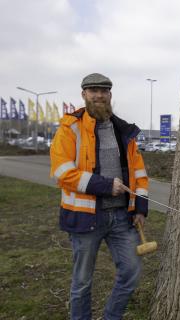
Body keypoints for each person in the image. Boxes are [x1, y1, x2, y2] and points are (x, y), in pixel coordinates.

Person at [50, 73, 149, 319]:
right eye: (93, 90)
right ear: (83, 95)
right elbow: (61, 172)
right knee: (82, 282)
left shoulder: (123, 130)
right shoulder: (69, 128)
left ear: (110, 95)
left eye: (104, 91)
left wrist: (140, 208)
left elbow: (139, 172)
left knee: (131, 273)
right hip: (85, 218)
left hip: (121, 218)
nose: (99, 95)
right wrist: (104, 185)